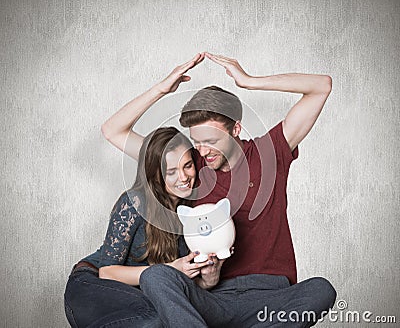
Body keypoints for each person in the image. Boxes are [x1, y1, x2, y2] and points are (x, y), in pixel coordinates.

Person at [101, 52, 337, 327]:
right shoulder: (190, 166)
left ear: (236, 128)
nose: (202, 150)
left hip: (272, 297)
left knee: (321, 289)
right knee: (156, 277)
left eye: (211, 140)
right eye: (196, 141)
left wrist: (250, 82)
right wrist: (162, 89)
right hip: (213, 299)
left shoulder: (269, 153)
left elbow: (322, 86)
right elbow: (113, 130)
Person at [64, 125, 225, 327]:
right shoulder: (135, 202)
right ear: (155, 174)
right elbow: (107, 272)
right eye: (171, 171)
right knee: (158, 319)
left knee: (174, 314)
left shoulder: (192, 213)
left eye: (187, 166)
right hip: (93, 285)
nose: (183, 178)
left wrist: (210, 278)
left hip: (141, 295)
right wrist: (170, 270)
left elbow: (184, 286)